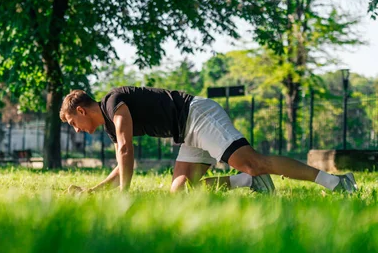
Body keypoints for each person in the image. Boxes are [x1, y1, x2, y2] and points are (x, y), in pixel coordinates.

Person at [60, 86, 358, 194]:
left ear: (82, 110)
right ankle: (247, 183)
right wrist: (95, 191)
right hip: (185, 132)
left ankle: (337, 182)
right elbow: (119, 163)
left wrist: (124, 194)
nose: (77, 130)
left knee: (253, 162)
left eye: (74, 123)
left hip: (197, 116)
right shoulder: (112, 125)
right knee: (181, 193)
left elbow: (126, 150)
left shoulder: (114, 102)